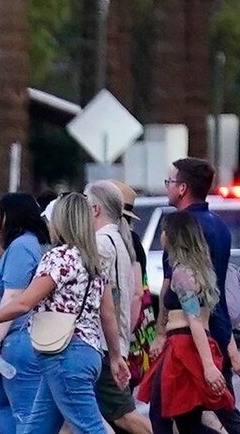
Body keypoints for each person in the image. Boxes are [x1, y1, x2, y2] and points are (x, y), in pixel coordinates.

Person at [0, 192, 125, 434]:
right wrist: (115, 357)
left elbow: (23, 303)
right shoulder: (95, 261)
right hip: (88, 352)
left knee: (89, 428)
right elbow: (108, 314)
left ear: (61, 221)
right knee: (36, 428)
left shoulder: (59, 258)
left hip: (64, 352)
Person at [159, 161, 240, 434]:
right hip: (215, 330)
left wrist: (158, 333)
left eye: (169, 182)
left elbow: (173, 291)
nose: (166, 187)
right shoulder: (220, 227)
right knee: (217, 408)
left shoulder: (183, 230)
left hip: (191, 338)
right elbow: (219, 290)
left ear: (182, 188)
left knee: (185, 414)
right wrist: (230, 347)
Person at [147, 199, 237, 434]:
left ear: (175, 236)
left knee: (165, 416)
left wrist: (208, 366)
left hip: (183, 347)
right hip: (186, 344)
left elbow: (195, 319)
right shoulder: (201, 269)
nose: (162, 236)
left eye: (165, 231)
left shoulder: (182, 273)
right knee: (183, 418)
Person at [0, 194, 55, 434]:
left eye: (2, 215)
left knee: (26, 415)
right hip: (12, 339)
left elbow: (13, 298)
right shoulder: (28, 245)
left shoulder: (22, 247)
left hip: (17, 339)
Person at [83, 183, 151, 434]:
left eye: (85, 206)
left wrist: (114, 350)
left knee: (124, 416)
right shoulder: (121, 240)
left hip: (101, 343)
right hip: (112, 341)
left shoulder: (101, 244)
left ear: (96, 209)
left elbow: (103, 301)